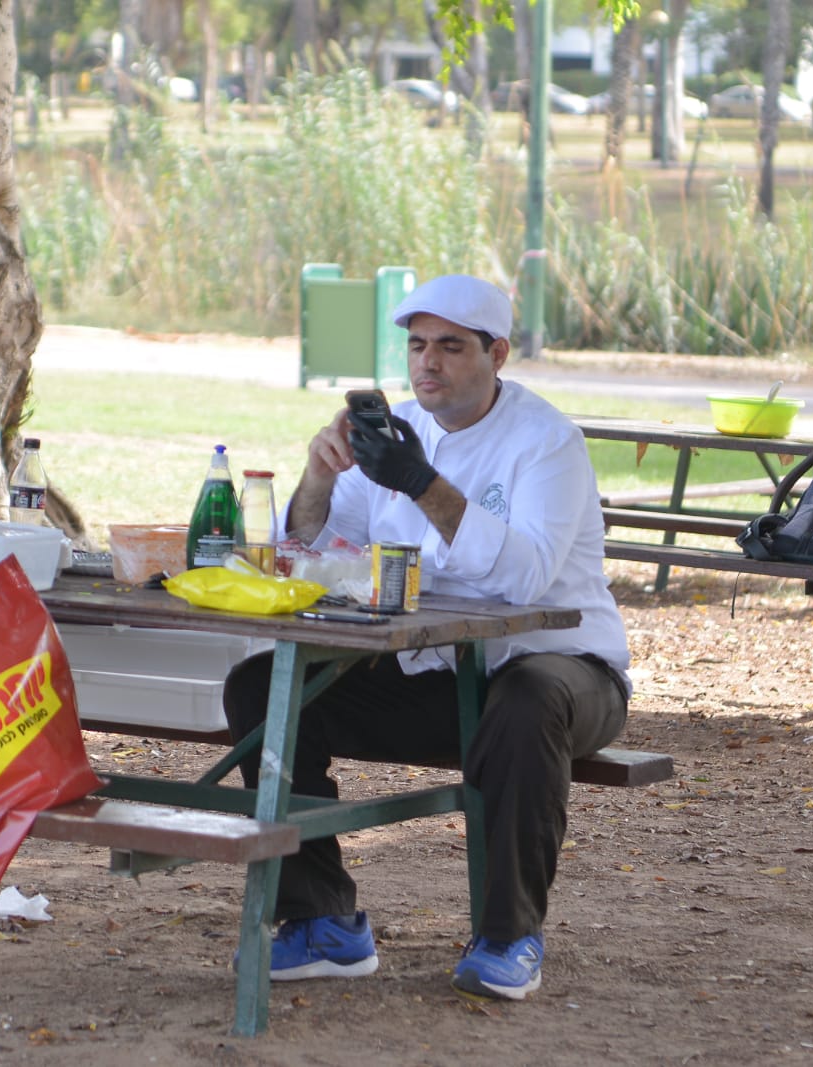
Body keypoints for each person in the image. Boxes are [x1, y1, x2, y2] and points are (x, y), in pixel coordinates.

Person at [222, 274, 630, 1001]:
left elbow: (528, 579)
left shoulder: (546, 443)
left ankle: (508, 934)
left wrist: (421, 483)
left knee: (526, 700)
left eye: (450, 346)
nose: (427, 364)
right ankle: (322, 920)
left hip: (565, 669)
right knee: (263, 686)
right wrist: (319, 476)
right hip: (436, 669)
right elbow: (315, 547)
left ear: (497, 352)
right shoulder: (394, 431)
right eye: (416, 346)